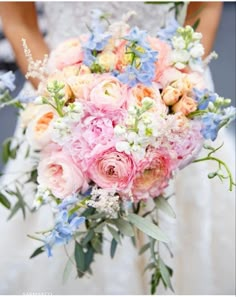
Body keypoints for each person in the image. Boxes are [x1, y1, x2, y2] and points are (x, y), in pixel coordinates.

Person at [0, 2, 235, 294]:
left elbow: (205, 6)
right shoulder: (65, 111)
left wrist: (171, 96)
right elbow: (20, 22)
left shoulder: (171, 103)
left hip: (172, 111)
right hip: (61, 108)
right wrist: (71, 111)